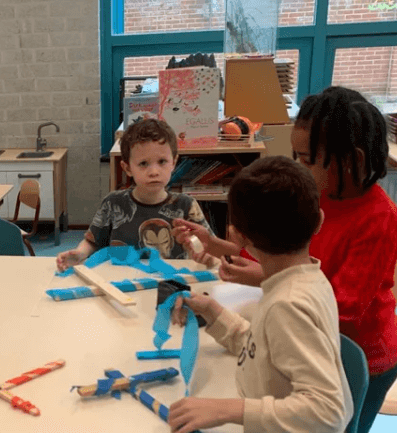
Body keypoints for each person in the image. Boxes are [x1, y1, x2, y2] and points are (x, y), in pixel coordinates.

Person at [172, 87, 397, 432]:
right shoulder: (319, 198)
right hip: (309, 330)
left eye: (307, 159)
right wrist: (217, 247)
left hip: (365, 351)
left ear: (353, 160)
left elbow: (346, 306)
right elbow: (277, 250)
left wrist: (266, 278)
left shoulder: (379, 217)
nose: (299, 167)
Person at [167, 156, 353, 433]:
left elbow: (328, 410)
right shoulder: (307, 278)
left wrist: (227, 409)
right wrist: (214, 313)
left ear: (238, 237)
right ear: (319, 221)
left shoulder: (287, 305)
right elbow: (265, 350)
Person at [56, 118, 212, 272]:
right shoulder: (113, 203)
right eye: (143, 163)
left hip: (170, 285)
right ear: (127, 167)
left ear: (174, 162)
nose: (154, 172)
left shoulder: (187, 206)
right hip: (121, 286)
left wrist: (203, 254)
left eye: (162, 161)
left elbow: (209, 248)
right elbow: (94, 241)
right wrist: (80, 253)